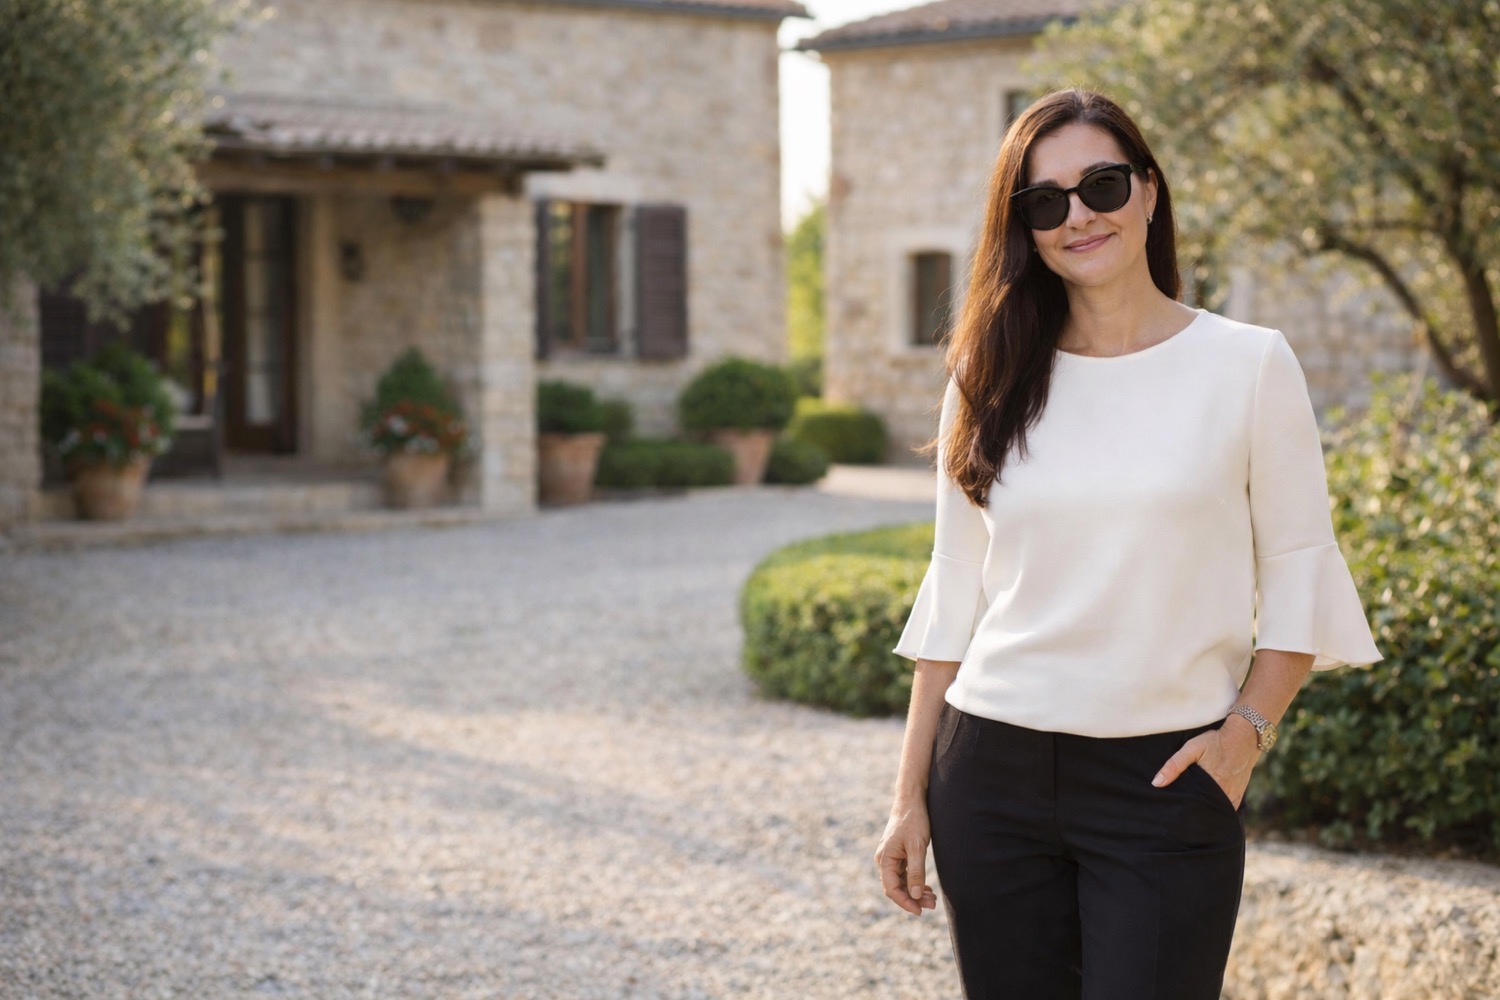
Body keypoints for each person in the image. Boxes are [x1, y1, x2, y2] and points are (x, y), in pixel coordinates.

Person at [872, 87, 1384, 1000]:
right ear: (1023, 228)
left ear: (1149, 191)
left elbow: (1301, 573)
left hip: (1165, 779)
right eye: (1045, 201)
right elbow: (956, 589)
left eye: (1102, 185)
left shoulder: (1249, 364)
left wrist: (1242, 739)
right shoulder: (984, 374)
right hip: (989, 772)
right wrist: (908, 797)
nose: (1079, 216)